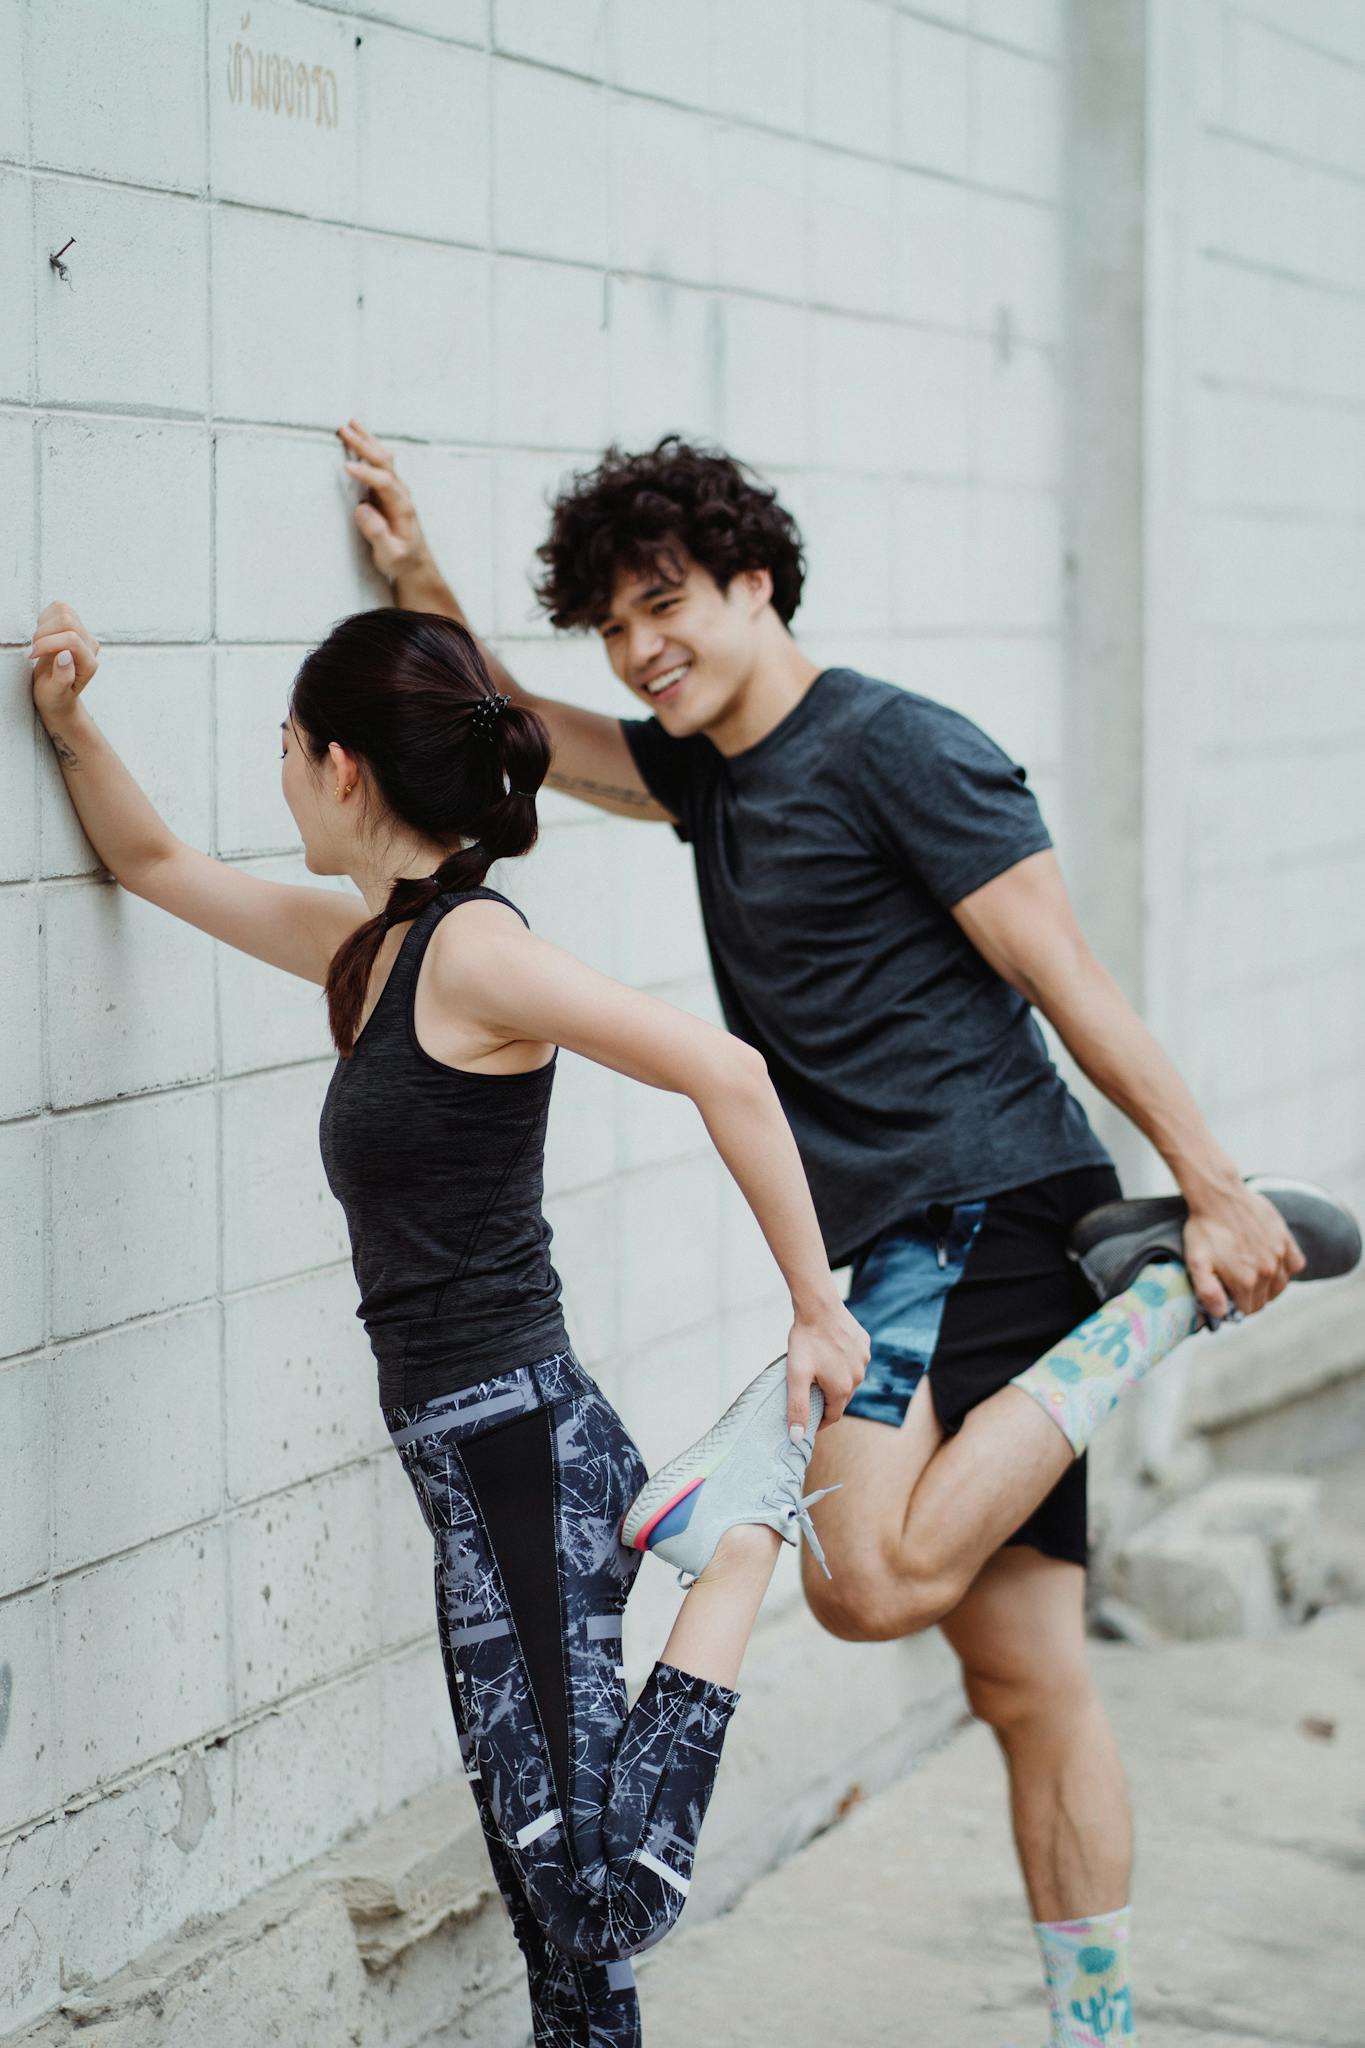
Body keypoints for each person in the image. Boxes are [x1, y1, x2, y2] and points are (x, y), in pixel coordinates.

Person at [334, 418, 1344, 2047]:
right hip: (949, 1234)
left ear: (753, 582)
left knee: (867, 1584)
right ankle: (1096, 2033)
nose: (640, 650)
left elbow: (1064, 978)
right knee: (1026, 1682)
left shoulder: (898, 749)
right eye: (611, 625)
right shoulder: (707, 769)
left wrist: (1210, 1183)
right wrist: (425, 581)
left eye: (664, 604)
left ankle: (1158, 1300)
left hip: (988, 1211)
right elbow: (552, 739)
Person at [27, 595, 869, 2048]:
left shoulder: (473, 953)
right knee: (563, 1950)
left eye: (288, 748)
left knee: (597, 1897)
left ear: (343, 767)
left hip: (516, 1459)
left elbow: (725, 1070)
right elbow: (152, 859)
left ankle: (735, 1538)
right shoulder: (374, 952)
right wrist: (67, 718)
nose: (279, 776)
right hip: (488, 1472)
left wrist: (814, 1310)